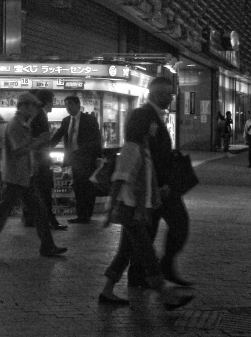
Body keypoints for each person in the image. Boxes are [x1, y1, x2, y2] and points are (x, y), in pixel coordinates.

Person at [97, 134, 193, 310]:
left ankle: (107, 291)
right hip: (130, 209)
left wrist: (155, 196)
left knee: (125, 252)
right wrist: (110, 210)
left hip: (137, 209)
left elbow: (143, 180)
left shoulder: (142, 148)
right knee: (147, 252)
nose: (153, 129)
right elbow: (119, 179)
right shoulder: (131, 149)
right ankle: (166, 295)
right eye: (148, 126)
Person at [0, 92, 68, 258]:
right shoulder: (16, 125)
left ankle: (47, 246)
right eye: (33, 106)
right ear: (25, 106)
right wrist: (38, 142)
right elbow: (18, 151)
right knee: (4, 214)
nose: (36, 110)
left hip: (23, 177)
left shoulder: (22, 124)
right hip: (16, 178)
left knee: (38, 212)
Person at [125, 77, 192, 287]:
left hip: (162, 186)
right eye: (166, 94)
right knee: (154, 229)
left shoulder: (158, 116)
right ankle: (144, 273)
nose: (171, 98)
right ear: (154, 94)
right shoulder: (142, 115)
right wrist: (155, 183)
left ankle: (151, 271)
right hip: (152, 187)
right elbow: (138, 150)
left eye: (172, 94)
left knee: (159, 228)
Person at [50, 95, 102, 224]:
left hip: (86, 159)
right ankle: (80, 215)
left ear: (78, 105)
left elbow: (96, 139)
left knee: (88, 188)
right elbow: (58, 136)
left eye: (71, 104)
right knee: (78, 187)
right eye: (66, 105)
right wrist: (46, 146)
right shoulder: (66, 121)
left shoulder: (89, 120)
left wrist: (97, 157)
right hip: (74, 159)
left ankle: (87, 215)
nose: (68, 107)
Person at [23, 89, 66, 230]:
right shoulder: (40, 116)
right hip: (40, 161)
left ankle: (31, 218)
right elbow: (41, 139)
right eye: (52, 101)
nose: (53, 104)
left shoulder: (36, 115)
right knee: (45, 191)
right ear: (47, 102)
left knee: (37, 191)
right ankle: (49, 219)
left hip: (35, 160)